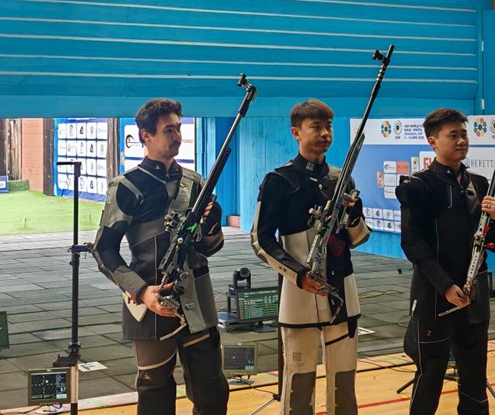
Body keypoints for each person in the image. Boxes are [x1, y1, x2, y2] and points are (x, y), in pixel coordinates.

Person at [91, 99, 228, 415]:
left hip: (197, 300)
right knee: (155, 396)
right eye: (169, 129)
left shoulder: (195, 182)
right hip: (151, 303)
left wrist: (212, 224)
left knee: (213, 393)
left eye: (179, 128)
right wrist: (141, 291)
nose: (177, 135)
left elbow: (208, 247)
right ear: (145, 136)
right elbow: (104, 249)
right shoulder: (126, 186)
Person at [251, 99, 372, 414]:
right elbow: (260, 240)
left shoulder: (341, 178)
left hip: (342, 296)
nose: (325, 133)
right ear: (296, 132)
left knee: (344, 384)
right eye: (316, 127)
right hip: (299, 297)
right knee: (299, 383)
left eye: (328, 126)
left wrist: (355, 214)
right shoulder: (278, 180)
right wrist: (298, 275)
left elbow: (358, 238)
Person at [395, 108, 495, 415]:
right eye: (452, 135)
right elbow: (412, 244)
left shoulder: (480, 183)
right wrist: (444, 285)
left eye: (463, 134)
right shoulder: (419, 186)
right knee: (430, 376)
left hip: (474, 298)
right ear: (433, 141)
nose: (461, 141)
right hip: (435, 298)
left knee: (474, 378)